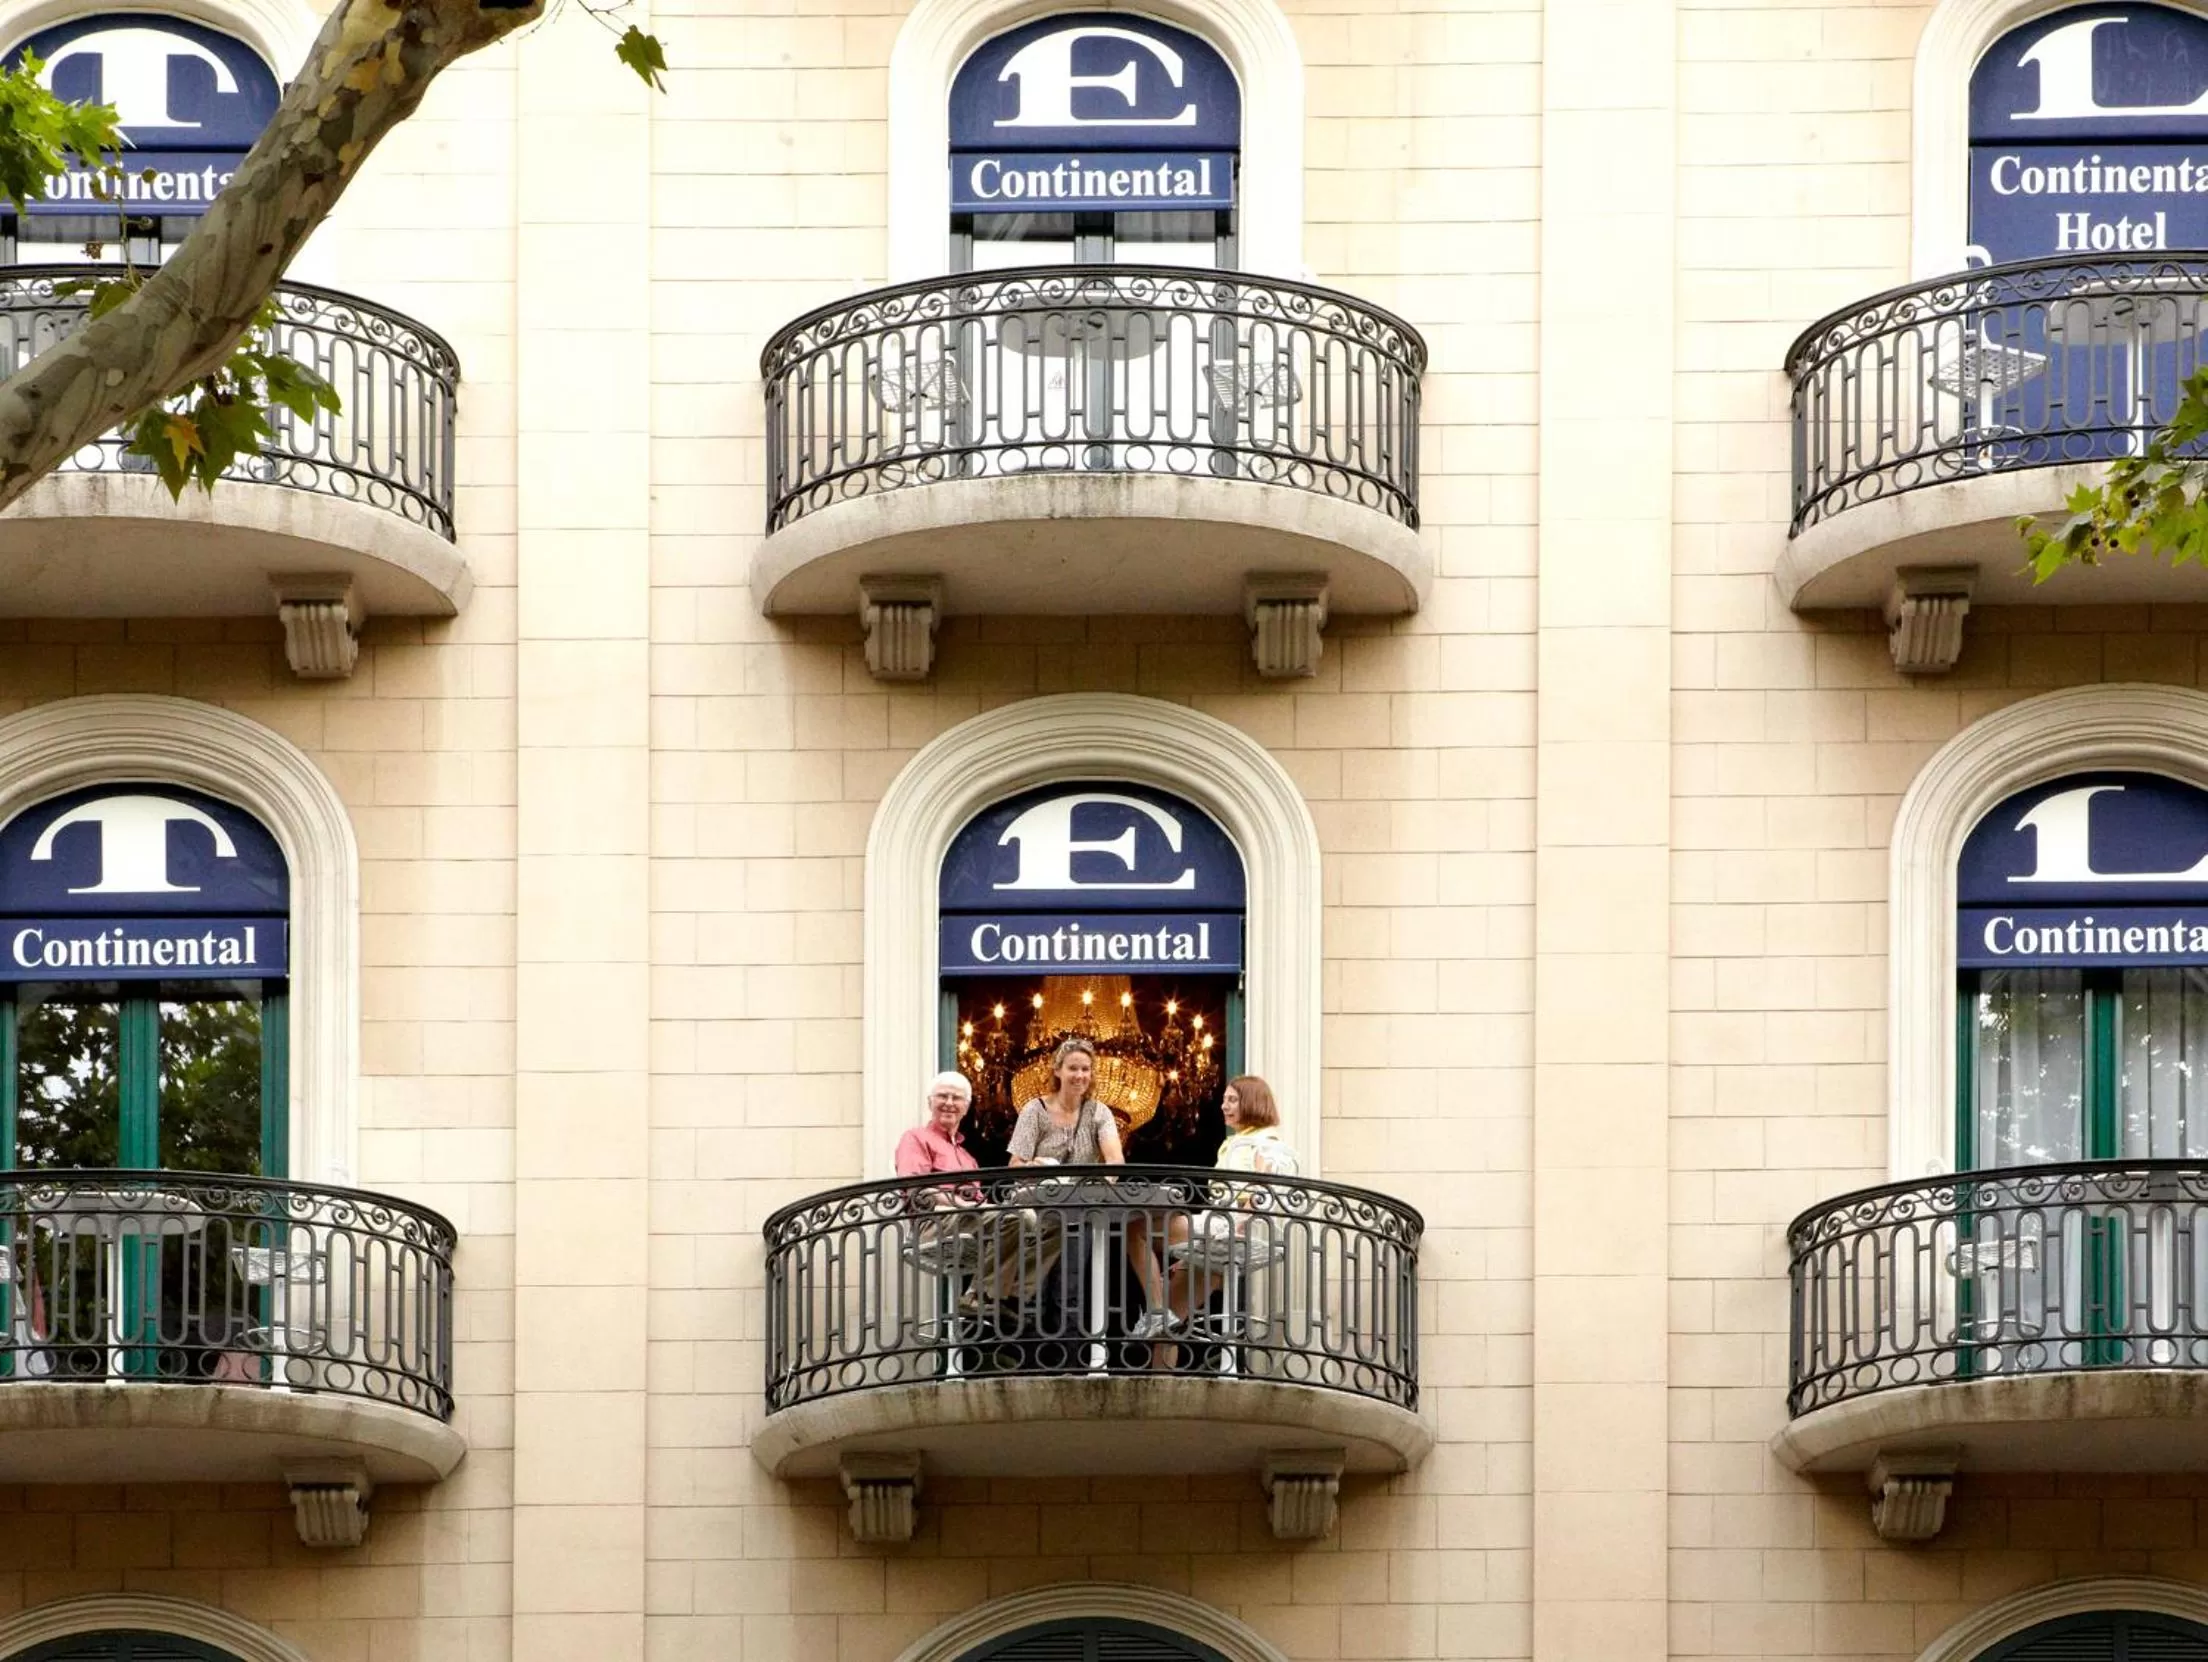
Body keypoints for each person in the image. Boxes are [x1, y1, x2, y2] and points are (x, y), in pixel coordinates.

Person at [1132, 1075, 1299, 1356]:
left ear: (1253, 1102)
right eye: (1224, 1100)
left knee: (1136, 1227)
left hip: (1222, 1231)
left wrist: (1237, 1230)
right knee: (1168, 1329)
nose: (1224, 1106)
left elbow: (1262, 1191)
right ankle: (1162, 1396)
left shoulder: (1265, 1143)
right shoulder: (1238, 1142)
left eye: (1232, 1100)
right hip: (1215, 1233)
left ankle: (1157, 1309)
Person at [896, 1071, 981, 1179]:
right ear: (930, 1103)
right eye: (943, 1096)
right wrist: (955, 1197)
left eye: (956, 1098)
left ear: (966, 1108)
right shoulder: (915, 1138)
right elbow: (915, 1188)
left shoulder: (969, 1160)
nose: (949, 1103)